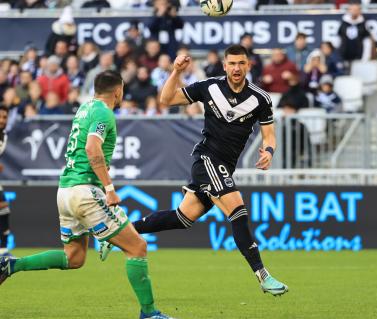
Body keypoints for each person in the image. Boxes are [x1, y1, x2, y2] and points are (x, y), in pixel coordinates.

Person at [101, 45, 289, 296]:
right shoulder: (209, 87)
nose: (236, 68)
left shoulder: (261, 99)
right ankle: (263, 275)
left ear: (248, 66)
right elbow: (166, 100)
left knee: (183, 217)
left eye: (241, 63)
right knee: (238, 210)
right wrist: (176, 72)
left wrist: (268, 152)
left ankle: (114, 233)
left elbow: (269, 136)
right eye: (231, 63)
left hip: (224, 168)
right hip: (207, 160)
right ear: (224, 65)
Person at [0, 70, 172, 319]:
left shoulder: (84, 108)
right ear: (118, 91)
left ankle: (12, 265)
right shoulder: (104, 112)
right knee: (137, 247)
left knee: (74, 258)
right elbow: (92, 149)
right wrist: (110, 189)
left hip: (66, 191)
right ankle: (149, 313)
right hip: (85, 191)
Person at [0, 106, 11, 257]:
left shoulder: (4, 136)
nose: (2, 120)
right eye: (0, 117)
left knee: (4, 208)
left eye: (5, 117)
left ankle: (3, 250)